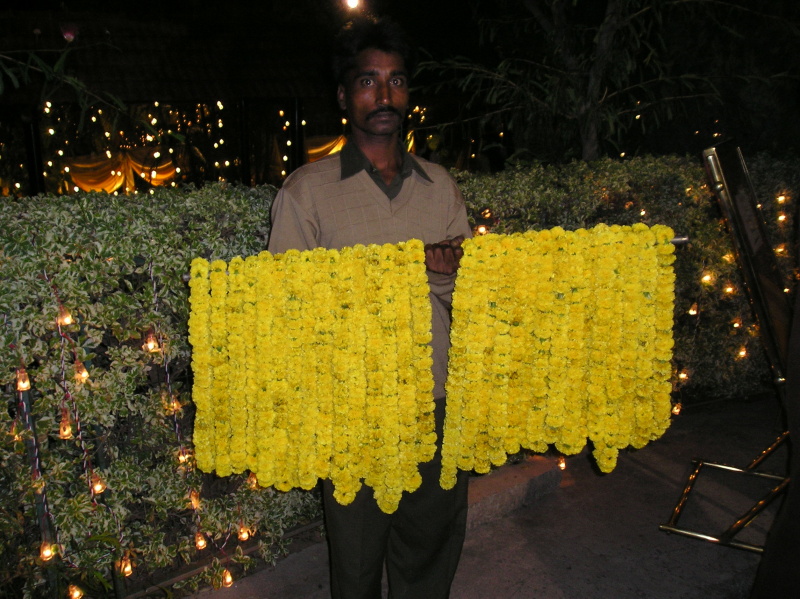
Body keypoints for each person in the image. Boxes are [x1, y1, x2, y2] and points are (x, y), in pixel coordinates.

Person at [267, 16, 472, 599]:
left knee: (431, 550)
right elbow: (287, 306)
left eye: (396, 81)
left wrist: (444, 276)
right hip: (352, 408)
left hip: (436, 398)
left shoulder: (439, 185)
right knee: (356, 564)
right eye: (367, 81)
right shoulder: (307, 191)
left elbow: (475, 297)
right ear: (343, 96)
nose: (384, 95)